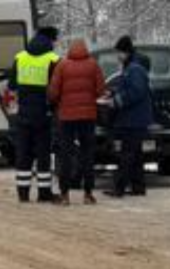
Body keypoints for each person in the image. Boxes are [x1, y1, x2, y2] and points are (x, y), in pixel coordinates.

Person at [48, 39, 106, 206]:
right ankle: (88, 194)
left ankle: (65, 195)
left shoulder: (62, 66)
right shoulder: (93, 65)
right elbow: (100, 90)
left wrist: (58, 102)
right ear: (85, 50)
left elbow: (53, 92)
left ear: (70, 50)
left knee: (66, 155)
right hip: (88, 116)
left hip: (66, 117)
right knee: (87, 154)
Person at [9, 27, 60, 203]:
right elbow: (57, 88)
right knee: (43, 154)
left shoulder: (20, 57)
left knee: (24, 153)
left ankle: (23, 193)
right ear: (51, 40)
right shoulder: (53, 59)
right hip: (44, 114)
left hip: (23, 114)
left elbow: (12, 85)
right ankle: (44, 193)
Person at [104, 36, 154, 198]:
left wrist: (116, 101)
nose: (117, 56)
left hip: (134, 120)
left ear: (125, 52)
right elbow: (127, 87)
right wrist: (112, 92)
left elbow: (136, 92)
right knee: (135, 154)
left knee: (127, 154)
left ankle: (119, 188)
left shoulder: (135, 69)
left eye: (119, 52)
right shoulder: (130, 68)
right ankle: (138, 187)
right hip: (134, 119)